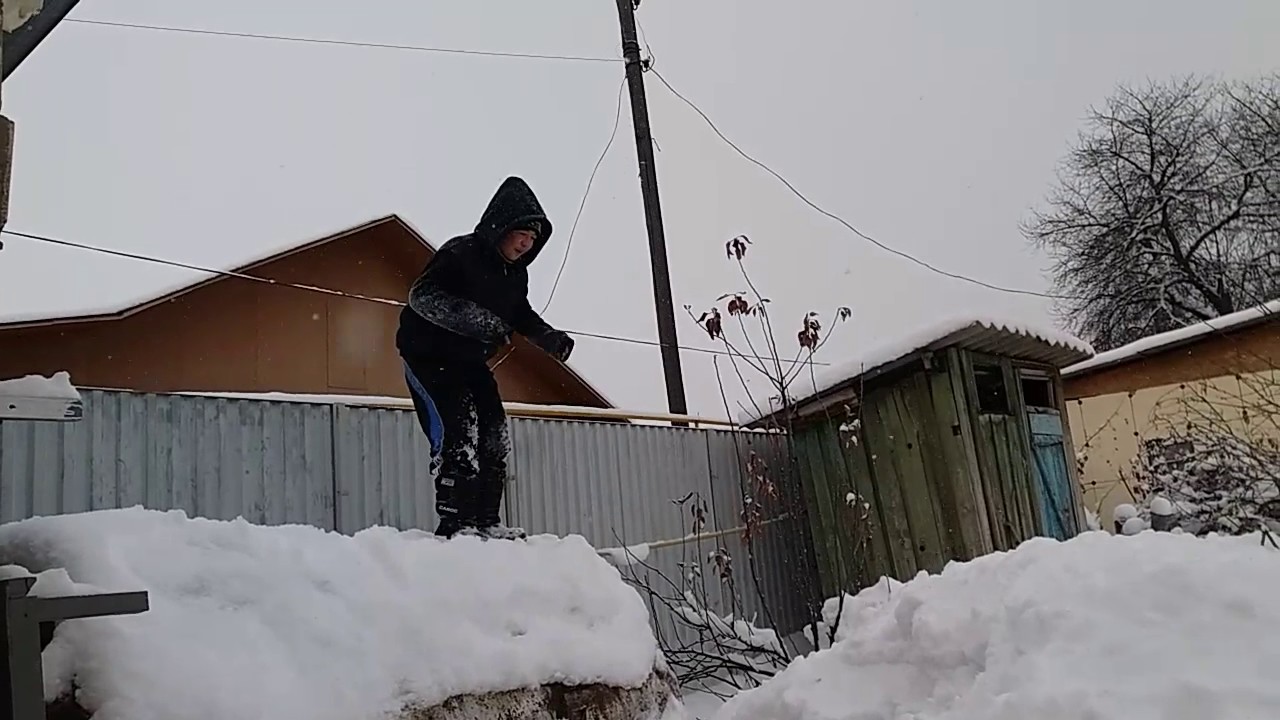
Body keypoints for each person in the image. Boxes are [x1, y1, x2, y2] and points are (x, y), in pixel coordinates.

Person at [396, 176, 574, 540]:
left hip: (469, 363)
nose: (527, 243)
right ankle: (455, 524)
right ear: (501, 225)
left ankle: (486, 522)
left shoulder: (514, 275)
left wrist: (549, 338)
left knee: (494, 433)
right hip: (428, 358)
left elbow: (519, 314)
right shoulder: (459, 254)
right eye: (521, 232)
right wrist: (478, 321)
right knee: (459, 433)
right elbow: (423, 297)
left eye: (533, 238)